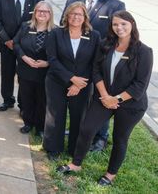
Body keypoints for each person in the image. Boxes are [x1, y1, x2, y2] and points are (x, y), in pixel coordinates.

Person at [56, 11, 153, 186]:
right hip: (104, 97)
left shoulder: (144, 51)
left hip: (130, 104)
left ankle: (110, 175)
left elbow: (140, 84)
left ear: (132, 24)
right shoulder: (105, 45)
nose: (119, 28)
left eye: (123, 24)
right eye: (115, 24)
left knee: (119, 138)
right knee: (87, 128)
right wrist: (105, 96)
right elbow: (96, 71)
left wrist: (116, 99)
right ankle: (76, 164)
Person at [62, 0, 126, 152]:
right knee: (80, 97)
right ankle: (81, 129)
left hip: (102, 62)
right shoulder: (72, 2)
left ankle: (101, 137)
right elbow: (64, 28)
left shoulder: (115, 5)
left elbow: (120, 33)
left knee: (100, 98)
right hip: (77, 61)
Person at [44, 2, 100, 160]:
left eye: (79, 14)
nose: (76, 17)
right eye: (72, 14)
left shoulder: (94, 36)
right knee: (56, 115)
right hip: (57, 81)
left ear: (85, 18)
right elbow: (52, 60)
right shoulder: (56, 33)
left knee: (78, 116)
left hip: (82, 85)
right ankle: (53, 148)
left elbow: (95, 64)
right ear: (67, 16)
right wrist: (71, 78)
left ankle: (74, 149)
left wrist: (79, 84)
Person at [0, 0, 43, 111]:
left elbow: (40, 23)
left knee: (24, 77)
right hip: (7, 45)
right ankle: (7, 100)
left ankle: (23, 104)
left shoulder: (37, 1)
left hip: (27, 48)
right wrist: (7, 40)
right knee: (7, 74)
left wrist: (19, 42)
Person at [13, 1, 54, 136]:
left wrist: (47, 63)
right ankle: (28, 123)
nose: (41, 13)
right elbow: (16, 43)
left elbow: (60, 53)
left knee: (42, 100)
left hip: (45, 73)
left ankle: (40, 127)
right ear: (35, 13)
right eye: (39, 11)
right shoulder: (25, 26)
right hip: (26, 70)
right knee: (27, 98)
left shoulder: (56, 31)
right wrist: (24, 57)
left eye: (45, 11)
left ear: (50, 14)